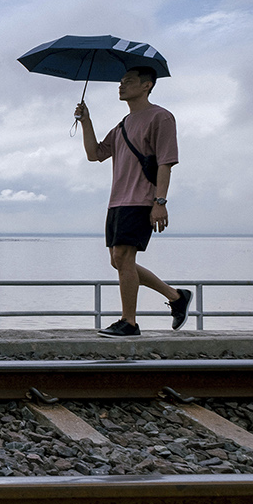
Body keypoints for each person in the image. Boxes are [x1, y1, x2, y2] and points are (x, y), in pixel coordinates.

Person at [75, 66, 191, 337]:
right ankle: (176, 296)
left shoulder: (161, 117)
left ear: (147, 85)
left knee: (124, 257)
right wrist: (86, 121)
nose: (121, 85)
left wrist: (159, 201)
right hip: (117, 201)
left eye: (128, 81)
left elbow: (165, 162)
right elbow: (94, 154)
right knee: (118, 261)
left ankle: (130, 322)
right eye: (120, 81)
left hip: (141, 199)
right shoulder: (123, 125)